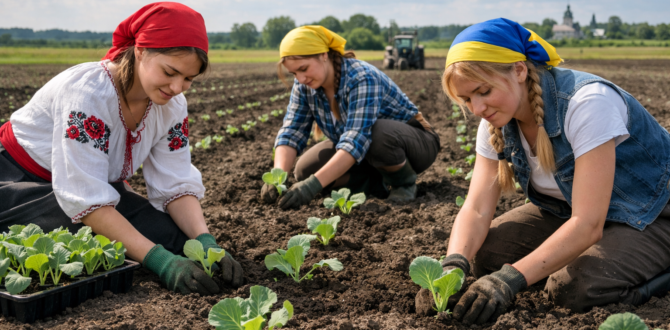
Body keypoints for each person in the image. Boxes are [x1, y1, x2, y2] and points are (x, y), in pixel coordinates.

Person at [424, 18, 670, 324]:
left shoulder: (587, 103)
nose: (477, 108)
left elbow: (588, 223)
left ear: (519, 70)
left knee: (575, 288)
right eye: (467, 99)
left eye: (483, 91)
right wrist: (451, 268)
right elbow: (475, 209)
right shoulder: (495, 122)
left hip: (651, 215)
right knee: (487, 255)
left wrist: (510, 279)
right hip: (572, 212)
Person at [0, 2, 243, 295]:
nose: (178, 87)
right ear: (141, 51)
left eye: (188, 79)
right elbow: (84, 198)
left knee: (172, 237)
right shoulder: (87, 94)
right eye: (170, 72)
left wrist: (206, 242)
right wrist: (161, 262)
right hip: (20, 181)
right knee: (82, 237)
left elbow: (175, 181)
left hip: (89, 187)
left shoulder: (172, 106)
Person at [261, 26, 440, 208]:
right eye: (294, 73)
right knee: (305, 170)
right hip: (367, 153)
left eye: (304, 68)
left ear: (324, 55)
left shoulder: (361, 77)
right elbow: (292, 131)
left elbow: (356, 139)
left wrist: (311, 187)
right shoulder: (304, 86)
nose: (300, 79)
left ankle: (404, 183)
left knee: (377, 132)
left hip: (415, 145)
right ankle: (376, 184)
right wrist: (278, 176)